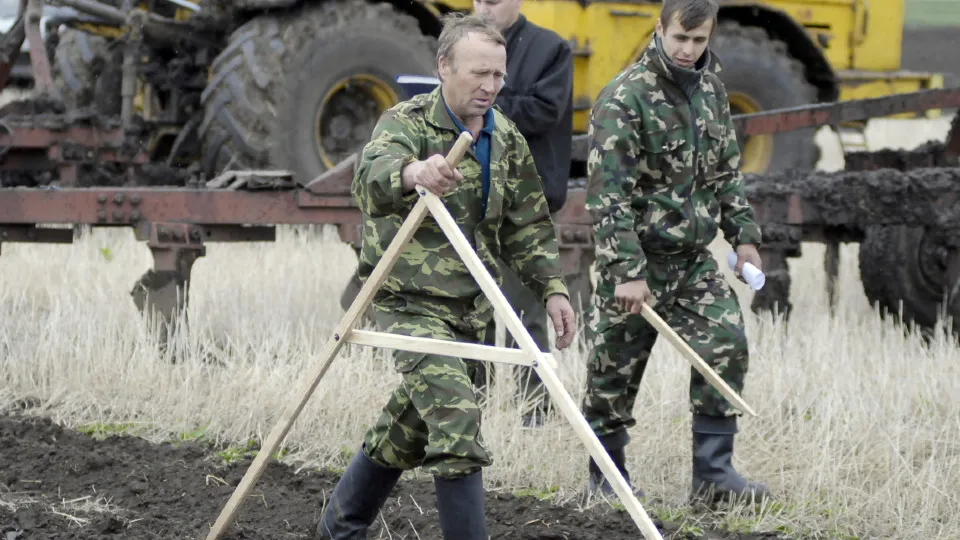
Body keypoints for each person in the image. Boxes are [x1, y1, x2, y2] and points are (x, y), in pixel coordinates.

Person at [315, 14, 577, 540]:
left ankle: (340, 527)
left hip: (469, 309)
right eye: (479, 73)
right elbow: (370, 179)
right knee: (456, 421)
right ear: (444, 67)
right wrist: (415, 173)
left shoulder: (505, 138)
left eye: (499, 77)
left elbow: (525, 225)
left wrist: (552, 288)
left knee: (409, 426)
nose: (490, 87)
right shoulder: (406, 123)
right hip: (408, 302)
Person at [580, 0, 771, 504]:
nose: (688, 51)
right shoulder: (624, 99)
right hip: (636, 262)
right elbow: (607, 196)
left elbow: (725, 174)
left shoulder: (711, 91)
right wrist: (626, 271)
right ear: (659, 30)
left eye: (699, 40)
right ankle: (606, 479)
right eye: (679, 39)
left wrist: (743, 237)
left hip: (691, 262)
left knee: (726, 346)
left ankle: (713, 477)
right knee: (612, 374)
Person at [471, 0, 575, 427]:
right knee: (469, 310)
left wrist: (480, 100)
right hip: (473, 197)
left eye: (492, 0)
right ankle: (468, 404)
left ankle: (535, 412)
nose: (483, 6)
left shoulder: (551, 50)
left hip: (525, 201)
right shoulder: (463, 47)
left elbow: (544, 111)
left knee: (525, 312)